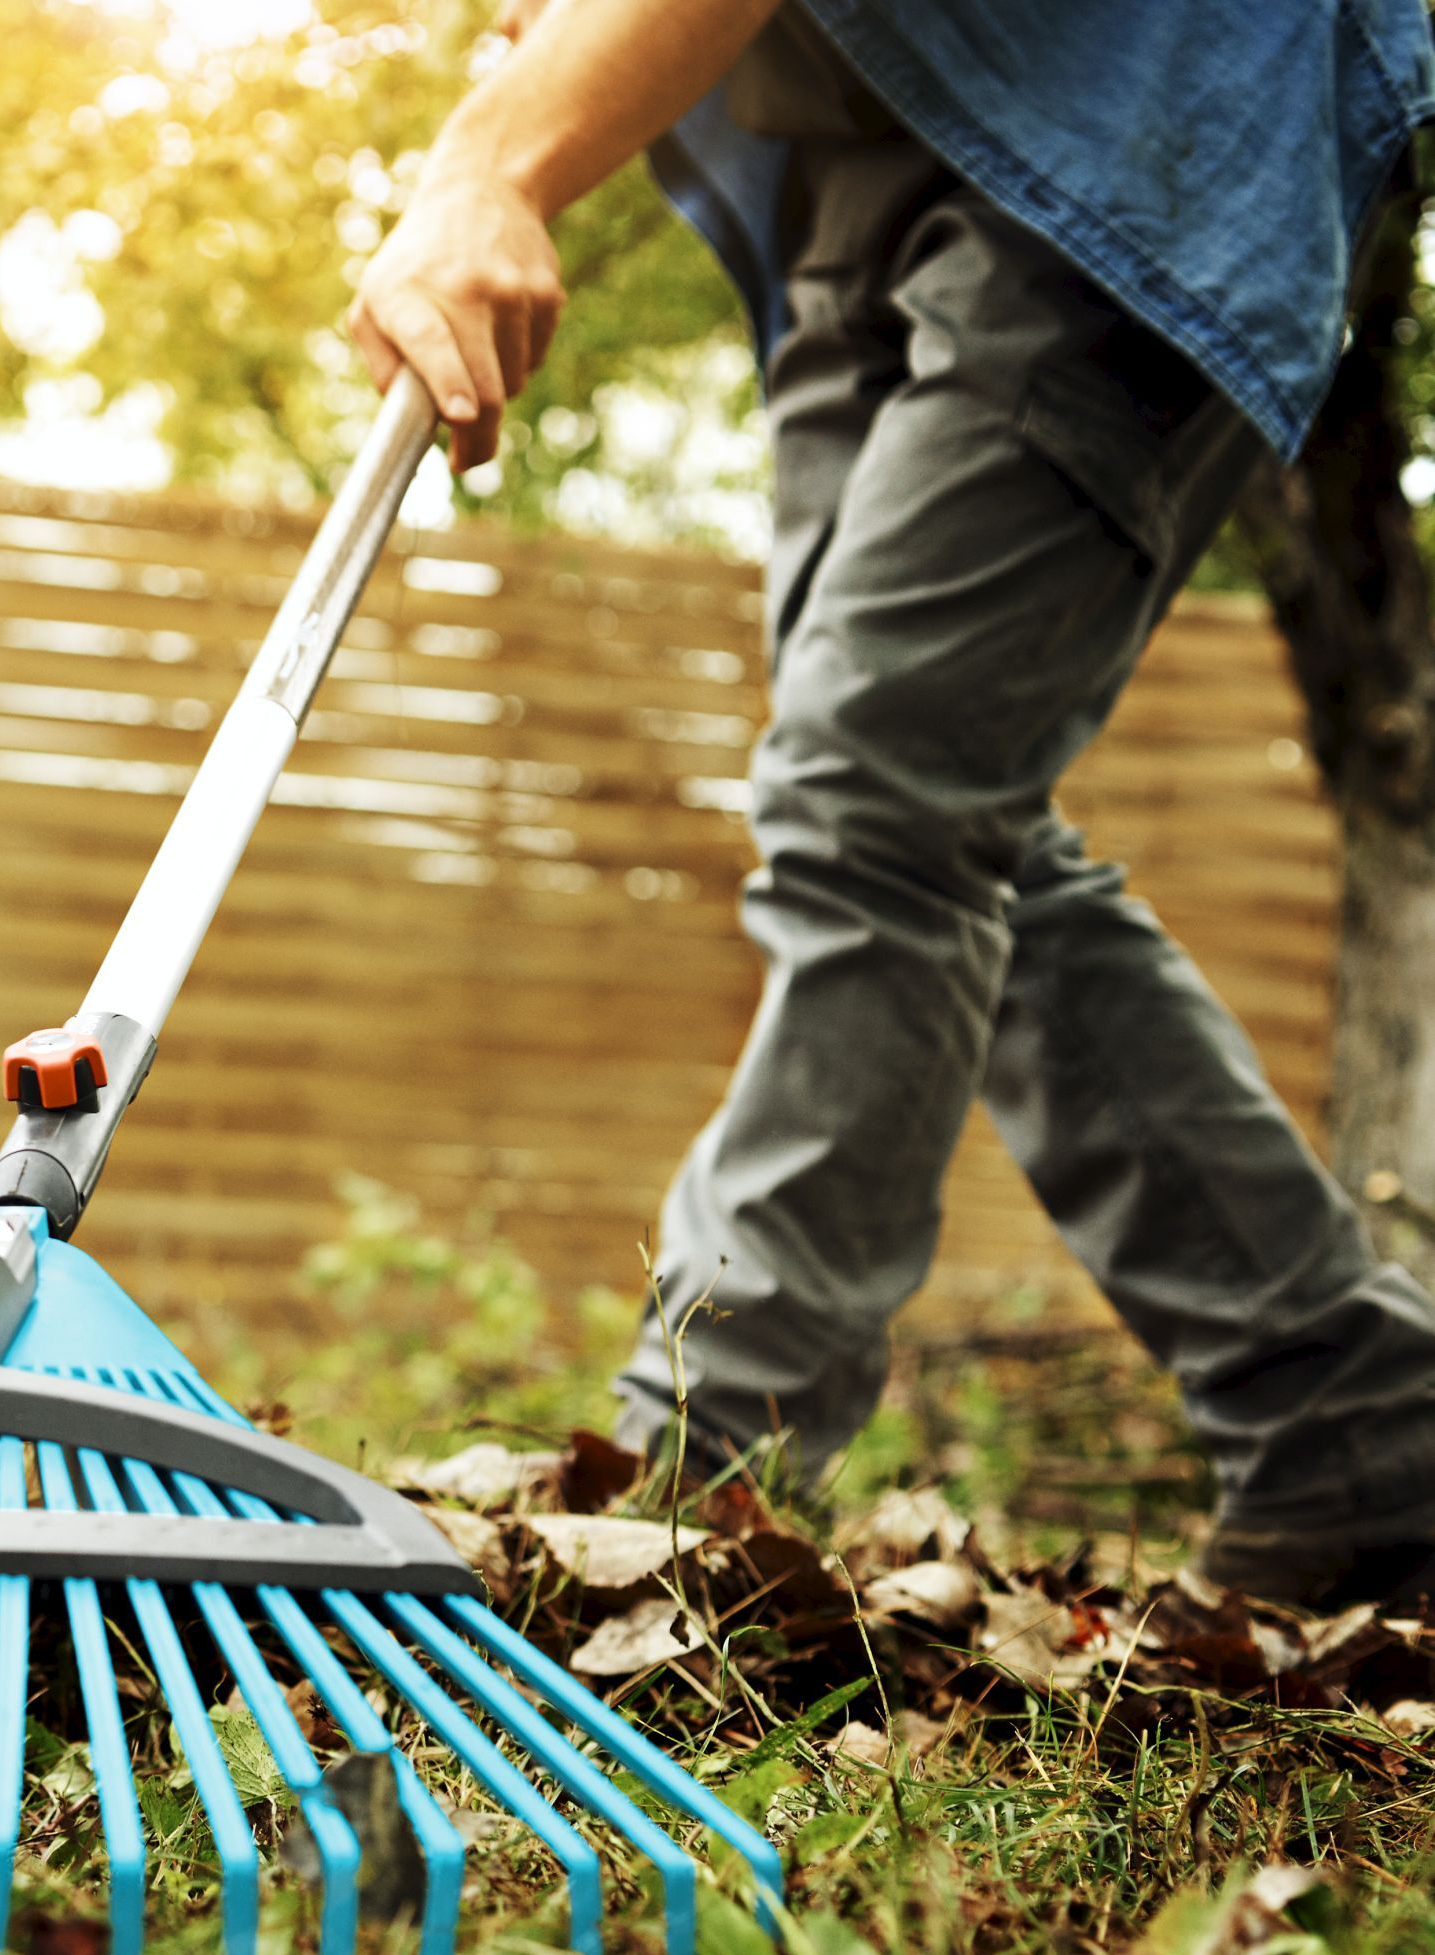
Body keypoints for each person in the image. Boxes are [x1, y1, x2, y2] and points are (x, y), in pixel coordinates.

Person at [345, 0, 1435, 1608]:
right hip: (862, 131)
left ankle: (707, 1474)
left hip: (1132, 119)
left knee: (881, 808)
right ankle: (1353, 1421)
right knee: (924, 822)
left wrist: (495, 165)